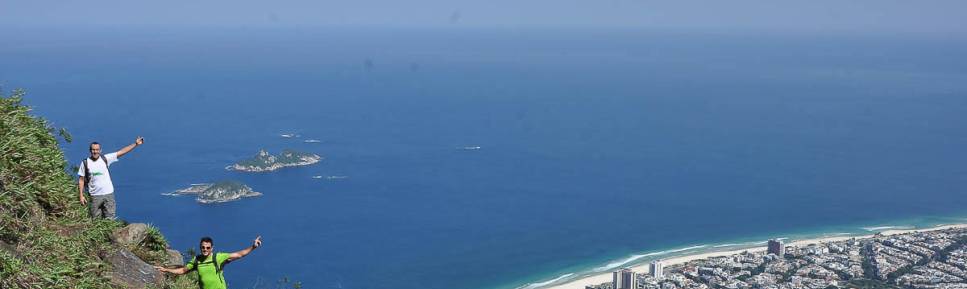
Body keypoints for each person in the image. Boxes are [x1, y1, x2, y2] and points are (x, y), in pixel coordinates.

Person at [155, 236, 263, 289]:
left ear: (212, 248)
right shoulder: (197, 260)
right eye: (203, 247)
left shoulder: (218, 257)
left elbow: (239, 254)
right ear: (200, 247)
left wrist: (253, 247)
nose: (205, 249)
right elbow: (183, 270)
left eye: (208, 247)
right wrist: (166, 269)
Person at [77, 136, 144, 219]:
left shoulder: (105, 158)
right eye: (93, 150)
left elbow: (121, 152)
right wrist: (81, 195)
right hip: (94, 196)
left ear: (100, 150)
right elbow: (81, 180)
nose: (95, 152)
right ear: (90, 150)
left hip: (108, 194)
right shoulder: (85, 163)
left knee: (110, 219)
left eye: (97, 150)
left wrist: (135, 144)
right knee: (95, 220)